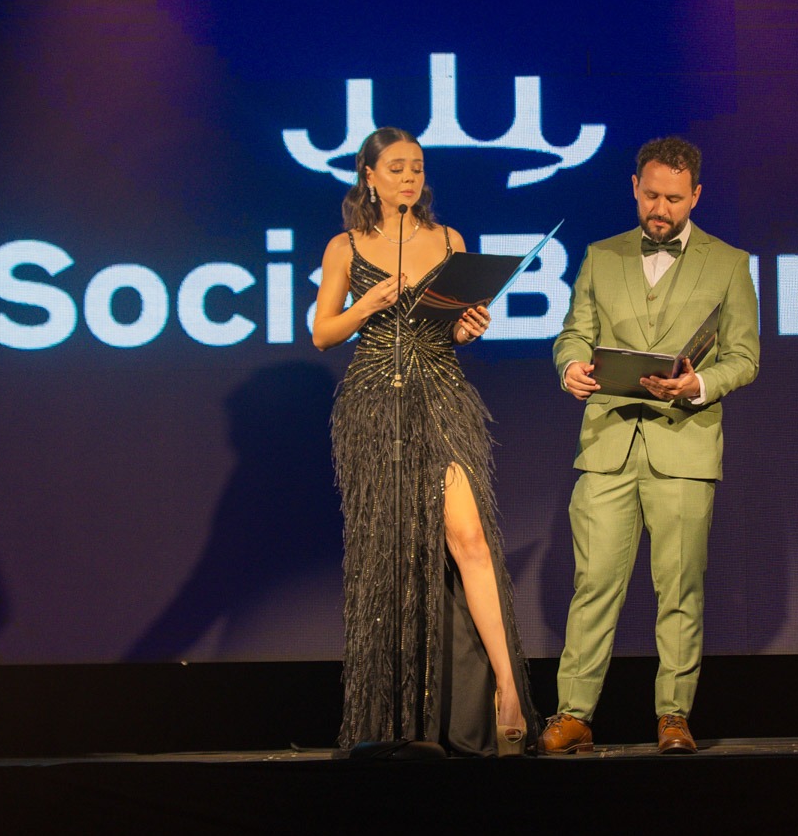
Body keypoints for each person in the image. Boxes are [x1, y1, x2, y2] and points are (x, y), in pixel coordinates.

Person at [313, 127, 539, 756]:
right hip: (375, 406)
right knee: (393, 559)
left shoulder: (449, 240)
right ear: (369, 176)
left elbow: (452, 329)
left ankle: (507, 690)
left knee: (468, 537)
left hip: (441, 396)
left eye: (416, 167)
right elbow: (323, 333)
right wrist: (367, 305)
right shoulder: (344, 247)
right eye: (396, 168)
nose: (409, 177)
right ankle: (398, 717)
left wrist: (468, 329)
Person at [539, 136, 760, 755]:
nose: (660, 208)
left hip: (684, 445)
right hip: (608, 443)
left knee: (680, 588)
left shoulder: (729, 263)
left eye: (674, 198)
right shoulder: (601, 255)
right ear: (635, 187)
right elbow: (574, 333)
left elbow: (744, 356)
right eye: (652, 195)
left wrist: (698, 385)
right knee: (594, 584)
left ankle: (673, 717)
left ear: (696, 195)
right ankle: (574, 714)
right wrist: (571, 366)